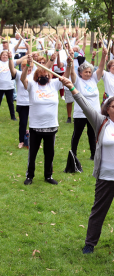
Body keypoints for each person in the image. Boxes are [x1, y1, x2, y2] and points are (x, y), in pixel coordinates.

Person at [62, 77, 114, 254]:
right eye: (113, 106)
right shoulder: (101, 123)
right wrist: (72, 88)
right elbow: (85, 106)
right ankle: (89, 244)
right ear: (107, 109)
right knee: (98, 211)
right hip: (106, 176)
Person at [21, 54, 70, 186]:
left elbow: (65, 76)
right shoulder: (32, 85)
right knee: (33, 154)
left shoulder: (54, 84)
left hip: (51, 126)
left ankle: (48, 176)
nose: (44, 77)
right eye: (41, 76)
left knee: (49, 153)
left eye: (47, 75)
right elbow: (22, 78)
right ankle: (29, 176)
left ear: (50, 76)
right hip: (35, 127)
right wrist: (27, 66)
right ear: (36, 77)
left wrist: (69, 64)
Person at [68, 48, 107, 161]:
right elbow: (72, 73)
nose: (88, 74)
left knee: (93, 134)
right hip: (80, 113)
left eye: (90, 72)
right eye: (86, 72)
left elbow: (100, 68)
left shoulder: (94, 79)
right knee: (77, 134)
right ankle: (73, 154)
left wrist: (104, 56)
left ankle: (93, 155)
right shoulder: (78, 81)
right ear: (80, 73)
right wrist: (70, 63)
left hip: (94, 113)